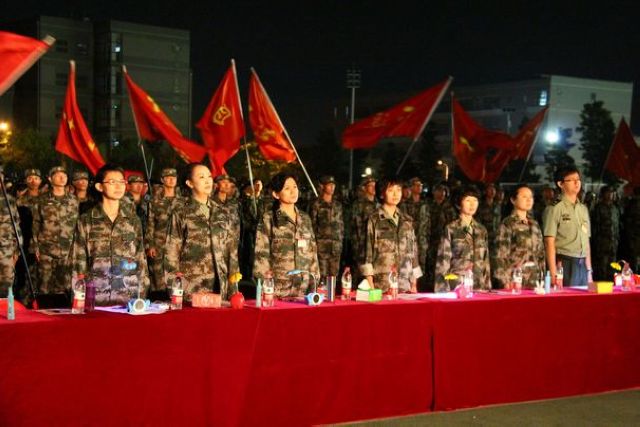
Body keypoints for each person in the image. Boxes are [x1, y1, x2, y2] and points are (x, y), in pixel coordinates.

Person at [72, 164, 148, 306]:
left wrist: (141, 296)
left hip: (128, 298)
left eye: (121, 182)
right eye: (112, 182)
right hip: (96, 297)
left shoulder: (133, 220)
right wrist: (78, 299)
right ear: (100, 187)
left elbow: (140, 259)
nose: (118, 186)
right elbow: (78, 263)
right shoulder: (86, 220)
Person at [165, 164, 239, 300]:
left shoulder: (223, 212)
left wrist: (233, 289)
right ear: (190, 183)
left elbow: (231, 253)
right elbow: (171, 253)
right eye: (201, 177)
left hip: (220, 287)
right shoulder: (181, 212)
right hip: (191, 288)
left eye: (209, 176)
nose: (207, 181)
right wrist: (175, 291)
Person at [254, 173, 319, 298]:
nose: (293, 191)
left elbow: (313, 253)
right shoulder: (268, 218)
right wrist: (265, 288)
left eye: (295, 187)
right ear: (276, 194)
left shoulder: (305, 218)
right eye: (287, 188)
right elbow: (261, 256)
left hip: (303, 290)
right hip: (278, 290)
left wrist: (315, 284)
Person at [360, 177, 421, 292]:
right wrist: (371, 287)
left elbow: (413, 254)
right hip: (382, 286)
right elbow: (367, 255)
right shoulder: (374, 220)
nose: (395, 194)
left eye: (398, 190)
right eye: (390, 190)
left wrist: (414, 283)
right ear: (382, 193)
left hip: (405, 285)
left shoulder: (407, 220)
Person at [31, 166, 79, 305]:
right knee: (44, 284)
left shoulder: (73, 200)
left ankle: (63, 314)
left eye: (64, 175)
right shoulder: (41, 200)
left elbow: (77, 225)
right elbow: (36, 223)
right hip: (46, 249)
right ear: (50, 179)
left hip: (67, 250)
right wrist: (35, 247)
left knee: (65, 286)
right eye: (58, 175)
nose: (62, 177)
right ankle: (43, 312)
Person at [435, 185, 491, 291]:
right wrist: (442, 290)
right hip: (457, 285)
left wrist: (487, 287)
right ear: (459, 204)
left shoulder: (481, 230)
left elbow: (486, 262)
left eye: (475, 200)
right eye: (468, 200)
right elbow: (443, 262)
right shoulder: (451, 228)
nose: (472, 204)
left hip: (478, 286)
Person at [542, 167, 592, 287]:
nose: (577, 183)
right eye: (572, 180)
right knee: (568, 298)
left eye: (578, 179)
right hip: (565, 263)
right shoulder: (554, 208)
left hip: (582, 264)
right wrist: (553, 273)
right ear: (560, 184)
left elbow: (586, 242)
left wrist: (589, 270)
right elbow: (549, 242)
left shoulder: (583, 209)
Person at [493, 184, 545, 289]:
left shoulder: (534, 224)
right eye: (524, 197)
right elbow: (500, 255)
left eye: (531, 197)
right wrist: (505, 281)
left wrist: (542, 276)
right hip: (515, 278)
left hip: (535, 278)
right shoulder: (508, 223)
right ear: (513, 200)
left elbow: (541, 254)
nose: (529, 200)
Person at [145, 168, 183, 296]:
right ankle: (158, 299)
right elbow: (150, 223)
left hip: (177, 244)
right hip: (159, 243)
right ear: (162, 180)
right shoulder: (155, 201)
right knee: (158, 276)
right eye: (168, 177)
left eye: (174, 177)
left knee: (177, 276)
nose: (171, 180)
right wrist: (150, 245)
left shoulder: (183, 201)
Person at [309, 175, 344, 279]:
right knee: (322, 276)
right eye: (329, 185)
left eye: (333, 185)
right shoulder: (316, 204)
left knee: (334, 276)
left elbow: (341, 225)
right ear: (322, 186)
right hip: (321, 247)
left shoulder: (337, 205)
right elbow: (311, 225)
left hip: (335, 247)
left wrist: (340, 241)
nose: (332, 187)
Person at [425, 183, 457, 290]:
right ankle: (429, 287)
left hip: (445, 242)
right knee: (430, 266)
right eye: (438, 191)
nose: (440, 193)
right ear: (434, 192)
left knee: (443, 265)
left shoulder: (449, 208)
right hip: (431, 241)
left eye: (442, 191)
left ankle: (443, 286)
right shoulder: (428, 206)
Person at [398, 177, 430, 280]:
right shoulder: (405, 204)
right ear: (411, 187)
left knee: (422, 264)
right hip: (410, 239)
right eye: (416, 185)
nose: (419, 187)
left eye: (420, 185)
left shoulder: (425, 204)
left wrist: (427, 236)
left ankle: (420, 284)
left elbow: (428, 222)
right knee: (409, 262)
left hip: (422, 239)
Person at [590, 185, 620, 280]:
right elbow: (595, 226)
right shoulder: (598, 208)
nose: (610, 194)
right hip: (602, 243)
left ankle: (611, 283)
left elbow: (617, 225)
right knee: (601, 266)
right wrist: (596, 242)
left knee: (612, 266)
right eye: (608, 192)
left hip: (613, 242)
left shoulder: (615, 208)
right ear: (603, 194)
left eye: (611, 192)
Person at [0, 168, 21, 298]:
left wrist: (17, 250)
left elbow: (16, 226)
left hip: (6, 250)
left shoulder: (9, 200)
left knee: (6, 285)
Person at [350, 176, 378, 266]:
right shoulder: (358, 204)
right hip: (362, 246)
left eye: (375, 185)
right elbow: (356, 227)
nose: (374, 187)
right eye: (371, 185)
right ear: (364, 188)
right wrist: (357, 247)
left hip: (376, 245)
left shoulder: (378, 204)